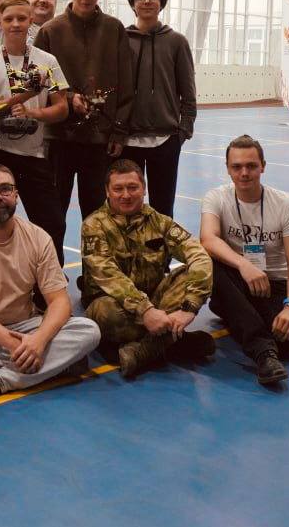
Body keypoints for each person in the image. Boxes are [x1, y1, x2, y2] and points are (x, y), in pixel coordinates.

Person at [0, 164, 100, 397]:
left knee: (89, 330)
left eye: (5, 189)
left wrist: (39, 341)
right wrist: (17, 345)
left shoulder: (38, 237)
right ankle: (56, 364)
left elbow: (60, 302)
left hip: (26, 325)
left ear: (16, 194)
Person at [34, 0, 134, 224]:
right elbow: (38, 84)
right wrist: (68, 98)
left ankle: (94, 260)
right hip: (58, 137)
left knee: (97, 215)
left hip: (100, 139)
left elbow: (126, 83)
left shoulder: (115, 29)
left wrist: (119, 131)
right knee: (54, 212)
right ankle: (51, 259)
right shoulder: (50, 31)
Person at [80, 160, 213, 379]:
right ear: (107, 191)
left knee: (191, 273)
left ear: (144, 189)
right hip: (117, 306)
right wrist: (146, 311)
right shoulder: (94, 225)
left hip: (156, 302)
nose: (126, 195)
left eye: (133, 187)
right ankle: (174, 341)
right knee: (105, 312)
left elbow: (198, 255)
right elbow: (108, 275)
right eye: (118, 189)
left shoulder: (160, 222)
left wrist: (190, 307)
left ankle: (145, 350)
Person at [200, 135, 289, 385]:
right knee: (209, 261)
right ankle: (264, 353)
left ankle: (234, 314)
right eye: (237, 166)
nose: (244, 173)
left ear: (263, 167)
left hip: (274, 284)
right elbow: (207, 239)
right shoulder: (216, 198)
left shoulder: (285, 204)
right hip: (237, 279)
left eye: (251, 166)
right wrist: (244, 265)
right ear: (228, 169)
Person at [0, 0, 69, 265]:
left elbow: (61, 108)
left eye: (21, 18)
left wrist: (32, 113)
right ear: (0, 22)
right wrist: (20, 99)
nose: (15, 24)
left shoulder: (47, 61)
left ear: (30, 21)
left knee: (52, 223)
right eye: (9, 19)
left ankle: (49, 282)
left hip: (33, 153)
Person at [121, 0, 196, 219]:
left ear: (161, 3)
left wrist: (183, 131)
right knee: (126, 207)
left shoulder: (176, 42)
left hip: (166, 140)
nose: (147, 1)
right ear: (133, 3)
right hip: (127, 139)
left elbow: (188, 91)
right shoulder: (121, 39)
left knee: (163, 209)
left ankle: (160, 247)